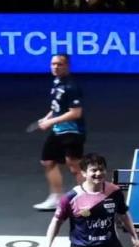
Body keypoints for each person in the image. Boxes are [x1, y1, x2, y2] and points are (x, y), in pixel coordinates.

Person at [34, 53, 86, 211]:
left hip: (73, 131)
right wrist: (46, 117)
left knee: (75, 167)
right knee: (48, 161)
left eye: (59, 64)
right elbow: (57, 107)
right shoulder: (57, 82)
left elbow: (75, 113)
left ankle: (90, 199)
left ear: (67, 66)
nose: (55, 67)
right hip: (58, 130)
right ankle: (57, 198)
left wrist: (50, 122)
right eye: (53, 64)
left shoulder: (71, 86)